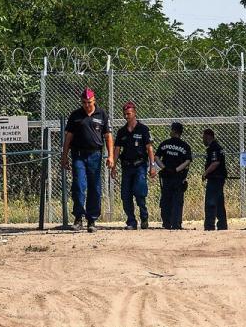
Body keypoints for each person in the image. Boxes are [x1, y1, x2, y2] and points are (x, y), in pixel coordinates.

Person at [59, 88, 114, 233]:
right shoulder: (75, 115)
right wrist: (64, 156)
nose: (87, 105)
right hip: (78, 155)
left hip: (95, 156)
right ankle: (78, 218)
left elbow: (108, 136)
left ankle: (92, 220)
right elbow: (68, 138)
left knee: (95, 188)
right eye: (84, 102)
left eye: (89, 102)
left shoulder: (102, 114)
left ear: (94, 100)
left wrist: (111, 156)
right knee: (79, 185)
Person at [114, 102, 155, 230]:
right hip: (126, 167)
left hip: (140, 166)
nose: (127, 116)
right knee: (125, 195)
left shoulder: (143, 129)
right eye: (125, 114)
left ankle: (144, 217)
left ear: (135, 113)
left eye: (129, 114)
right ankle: (131, 221)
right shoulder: (122, 132)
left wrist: (152, 166)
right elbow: (117, 150)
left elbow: (149, 149)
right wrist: (113, 166)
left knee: (139, 192)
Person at [156, 122, 192, 229]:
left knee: (166, 199)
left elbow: (156, 157)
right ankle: (176, 223)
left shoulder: (165, 143)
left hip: (166, 176)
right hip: (178, 176)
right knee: (177, 200)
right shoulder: (185, 146)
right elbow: (188, 161)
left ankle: (166, 223)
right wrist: (176, 170)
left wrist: (164, 168)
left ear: (174, 131)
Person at [201, 128, 228, 231]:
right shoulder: (217, 147)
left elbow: (215, 162)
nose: (203, 139)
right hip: (219, 178)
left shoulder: (214, 148)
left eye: (203, 137)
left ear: (208, 136)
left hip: (215, 178)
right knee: (219, 202)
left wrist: (205, 173)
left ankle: (209, 225)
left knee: (210, 202)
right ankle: (222, 225)